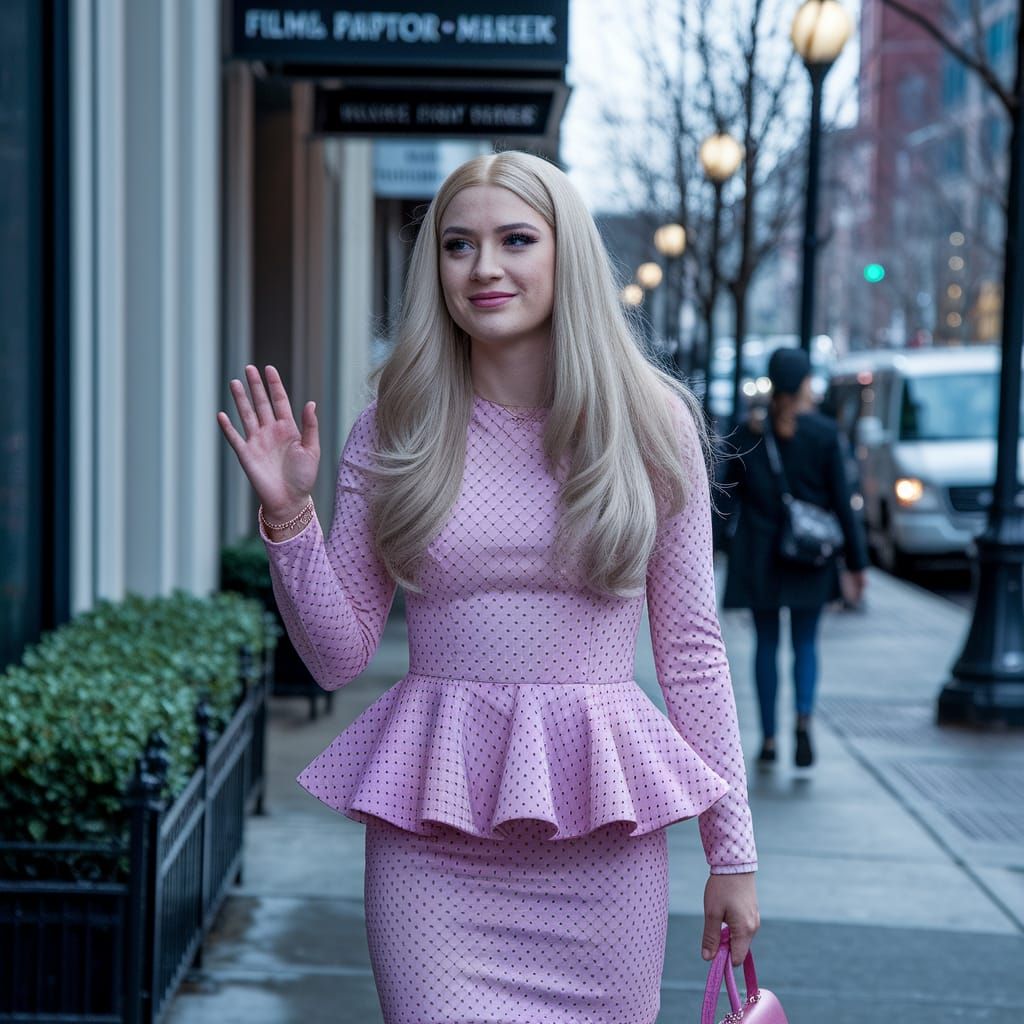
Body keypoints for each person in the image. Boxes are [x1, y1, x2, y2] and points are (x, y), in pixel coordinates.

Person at [218, 150, 758, 1023]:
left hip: (603, 841)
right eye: (458, 245)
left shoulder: (651, 422)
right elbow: (334, 655)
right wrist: (289, 519)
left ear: (566, 254)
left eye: (516, 239)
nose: (485, 268)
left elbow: (694, 654)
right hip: (435, 846)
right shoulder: (396, 424)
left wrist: (731, 855)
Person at [721, 347, 868, 770]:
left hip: (760, 557)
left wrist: (718, 550)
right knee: (806, 642)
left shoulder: (748, 432)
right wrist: (857, 565)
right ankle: (803, 719)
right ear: (804, 383)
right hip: (810, 557)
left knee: (766, 645)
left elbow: (723, 499)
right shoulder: (823, 433)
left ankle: (768, 739)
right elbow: (843, 504)